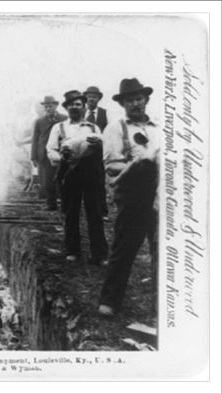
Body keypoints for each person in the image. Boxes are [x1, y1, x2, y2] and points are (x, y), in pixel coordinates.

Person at [98, 78, 159, 317]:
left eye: (139, 98)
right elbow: (112, 166)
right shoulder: (116, 128)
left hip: (158, 194)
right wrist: (139, 163)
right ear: (123, 104)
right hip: (132, 194)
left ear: (146, 100)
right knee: (125, 248)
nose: (135, 103)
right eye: (130, 100)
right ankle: (110, 301)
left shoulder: (158, 128)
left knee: (160, 250)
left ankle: (161, 306)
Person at [46, 90, 108, 265]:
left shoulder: (93, 128)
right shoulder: (59, 128)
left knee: (94, 211)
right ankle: (73, 250)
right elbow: (50, 149)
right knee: (71, 212)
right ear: (66, 108)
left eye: (78, 104)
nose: (75, 107)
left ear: (83, 107)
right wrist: (62, 158)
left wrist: (100, 144)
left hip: (91, 173)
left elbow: (104, 148)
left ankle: (100, 254)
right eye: (71, 104)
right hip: (69, 172)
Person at [31, 95, 68, 210]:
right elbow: (35, 139)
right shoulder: (39, 121)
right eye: (46, 107)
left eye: (50, 106)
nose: (48, 109)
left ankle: (65, 204)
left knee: (63, 179)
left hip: (61, 153)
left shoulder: (64, 118)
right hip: (45, 155)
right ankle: (51, 205)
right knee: (48, 181)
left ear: (56, 106)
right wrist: (33, 156)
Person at [84, 86, 110, 219]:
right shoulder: (81, 112)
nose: (91, 99)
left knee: (99, 182)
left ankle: (103, 211)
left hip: (98, 154)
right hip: (82, 153)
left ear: (98, 99)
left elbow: (109, 133)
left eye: (94, 97)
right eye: (89, 96)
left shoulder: (105, 113)